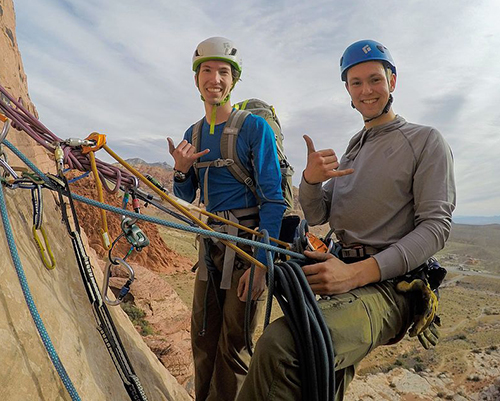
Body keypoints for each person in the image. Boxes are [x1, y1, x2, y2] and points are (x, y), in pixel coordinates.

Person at [236, 39, 456, 400]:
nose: (366, 91)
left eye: (375, 80)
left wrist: (356, 273)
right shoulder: (357, 144)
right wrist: (310, 181)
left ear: (393, 82)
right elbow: (322, 212)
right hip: (342, 274)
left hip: (388, 286)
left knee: (280, 347)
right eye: (356, 83)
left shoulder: (424, 140)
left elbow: (436, 227)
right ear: (348, 91)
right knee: (320, 381)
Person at [167, 36, 286, 401]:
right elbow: (187, 197)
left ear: (233, 80)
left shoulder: (254, 128)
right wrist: (182, 170)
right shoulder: (194, 133)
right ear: (196, 78)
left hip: (247, 249)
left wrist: (263, 262)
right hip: (210, 250)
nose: (214, 79)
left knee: (233, 346)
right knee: (202, 339)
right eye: (206, 71)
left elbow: (273, 199)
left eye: (223, 72)